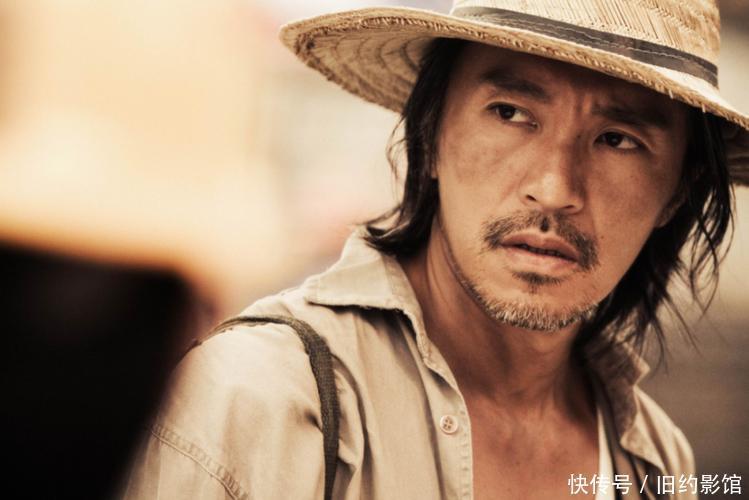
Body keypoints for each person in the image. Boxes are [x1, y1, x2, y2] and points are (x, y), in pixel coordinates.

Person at [123, 1, 749, 499]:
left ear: (677, 192)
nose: (555, 189)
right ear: (429, 136)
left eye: (617, 140)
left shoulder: (654, 464)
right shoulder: (262, 400)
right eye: (510, 112)